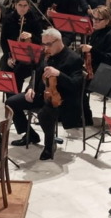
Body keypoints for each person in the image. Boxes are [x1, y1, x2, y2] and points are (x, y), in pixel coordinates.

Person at [5, 27, 84, 162]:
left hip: (60, 99)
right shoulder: (45, 54)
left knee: (44, 114)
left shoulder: (74, 59)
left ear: (58, 41)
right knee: (11, 103)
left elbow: (76, 86)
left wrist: (59, 74)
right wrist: (31, 88)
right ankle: (30, 135)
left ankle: (49, 145)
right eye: (43, 44)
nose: (45, 47)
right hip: (42, 94)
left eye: (48, 44)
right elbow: (36, 73)